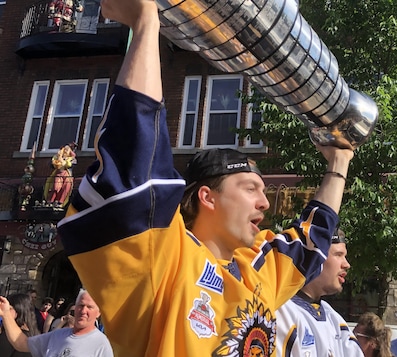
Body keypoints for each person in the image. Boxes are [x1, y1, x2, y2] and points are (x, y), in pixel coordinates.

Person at [55, 0, 354, 355]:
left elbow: (311, 243)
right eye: (250, 188)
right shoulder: (166, 258)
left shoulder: (256, 271)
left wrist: (339, 161)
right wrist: (146, 22)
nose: (264, 201)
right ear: (207, 197)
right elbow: (134, 164)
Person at [275, 229, 363, 357]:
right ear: (314, 257)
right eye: (338, 254)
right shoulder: (282, 312)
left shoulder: (334, 319)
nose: (346, 264)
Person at [0, 289, 113, 357]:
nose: (83, 311)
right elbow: (21, 343)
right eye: (81, 305)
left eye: (90, 307)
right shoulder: (57, 335)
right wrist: (5, 313)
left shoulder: (101, 344)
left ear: (98, 313)